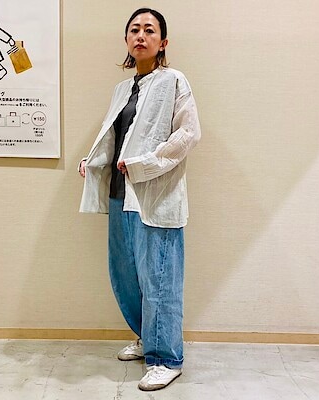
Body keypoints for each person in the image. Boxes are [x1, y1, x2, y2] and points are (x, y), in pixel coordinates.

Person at [78, 8, 201, 391]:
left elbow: (188, 134)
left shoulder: (174, 80)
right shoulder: (122, 89)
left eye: (150, 30)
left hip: (155, 195)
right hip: (120, 196)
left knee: (159, 276)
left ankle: (166, 358)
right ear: (127, 40)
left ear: (163, 42)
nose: (141, 35)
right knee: (126, 276)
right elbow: (115, 137)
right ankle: (148, 338)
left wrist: (145, 165)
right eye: (135, 29)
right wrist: (92, 161)